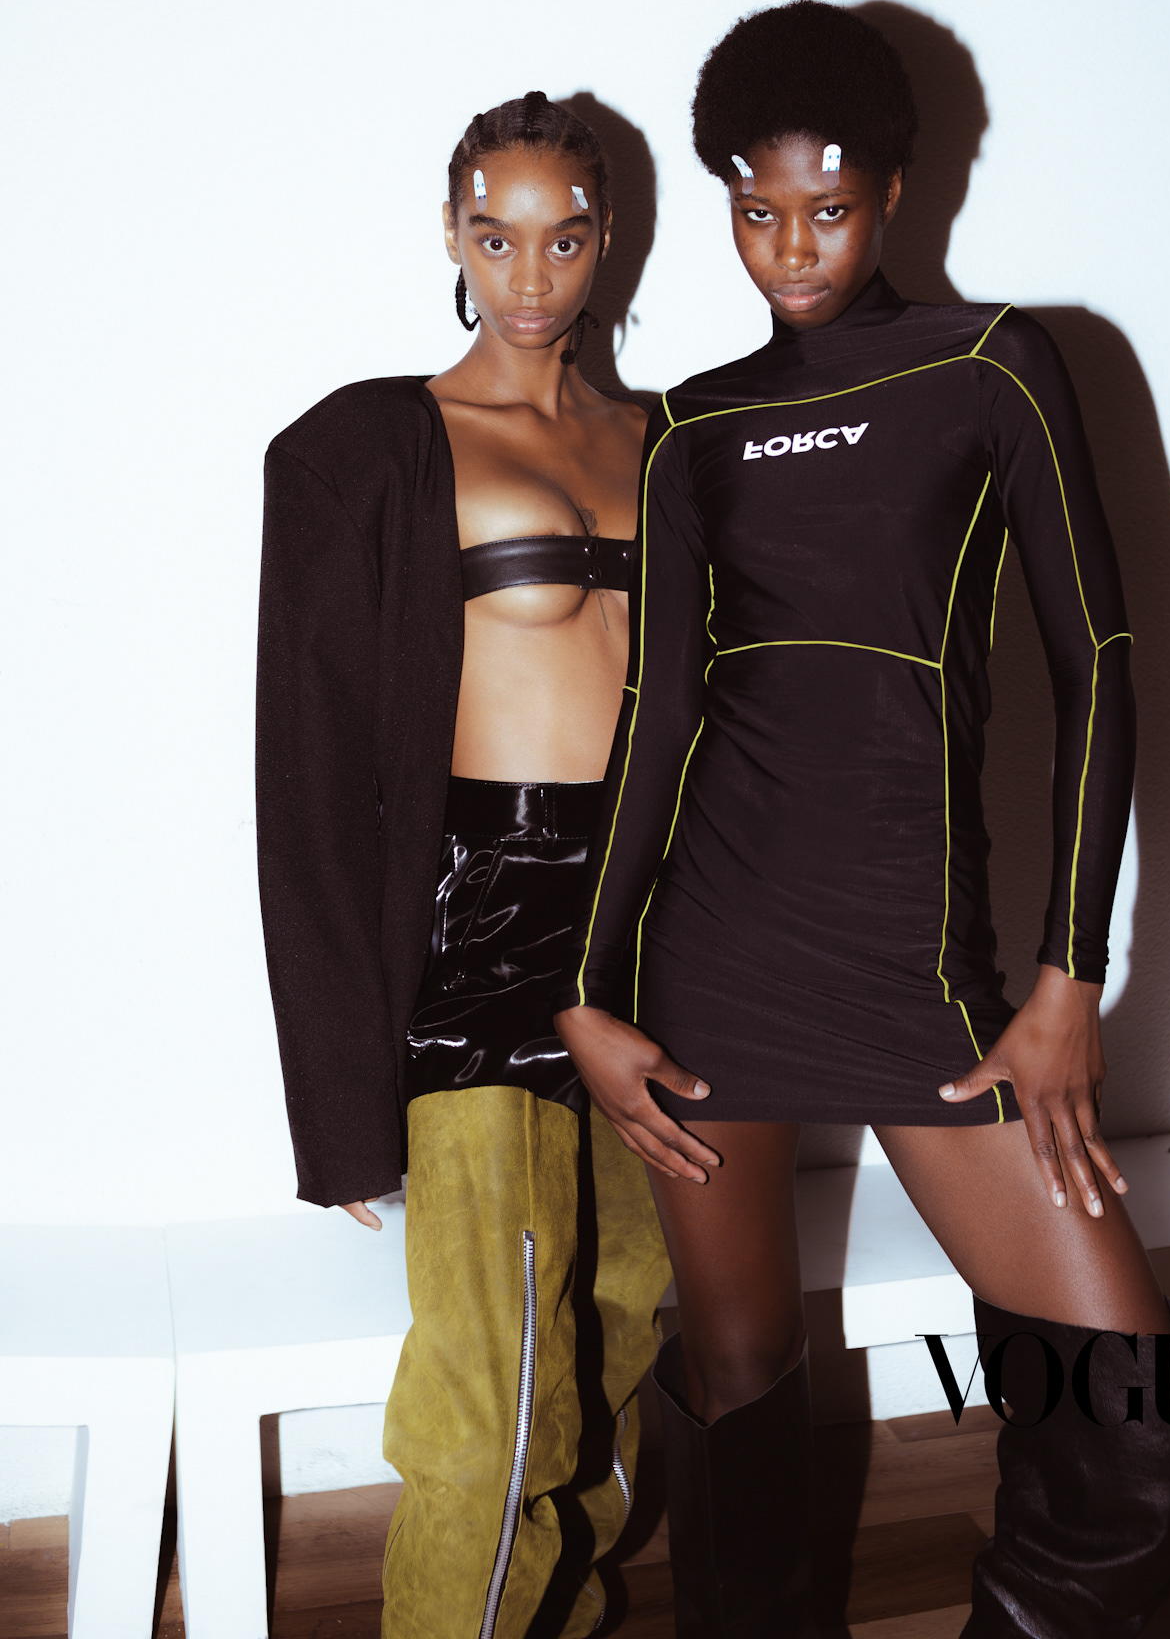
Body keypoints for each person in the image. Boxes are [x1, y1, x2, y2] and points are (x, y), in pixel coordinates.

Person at [553, 6, 1170, 1638]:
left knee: (1129, 1388)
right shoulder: (694, 426)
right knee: (736, 1369)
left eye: (830, 208)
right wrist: (586, 990)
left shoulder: (991, 365)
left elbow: (1102, 666)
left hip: (915, 966)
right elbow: (655, 719)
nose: (790, 248)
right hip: (709, 963)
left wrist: (1069, 980)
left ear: (897, 193)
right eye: (755, 209)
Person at [256, 91, 671, 1639]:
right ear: (450, 233)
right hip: (473, 935)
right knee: (489, 1404)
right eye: (495, 237)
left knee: (619, 1333)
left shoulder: (665, 442)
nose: (529, 274)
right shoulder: (366, 447)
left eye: (563, 238)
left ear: (606, 239)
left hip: (647, 932)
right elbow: (305, 773)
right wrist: (336, 1095)